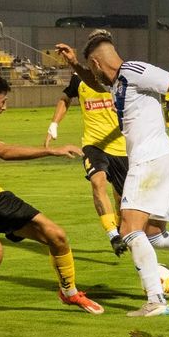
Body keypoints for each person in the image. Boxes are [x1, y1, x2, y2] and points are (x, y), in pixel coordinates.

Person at [56, 31, 169, 319]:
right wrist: (75, 65)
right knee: (154, 235)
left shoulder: (135, 70)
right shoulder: (118, 82)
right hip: (161, 159)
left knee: (128, 230)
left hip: (150, 160)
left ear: (97, 61)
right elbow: (95, 81)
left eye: (90, 67)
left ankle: (156, 299)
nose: (92, 74)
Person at [0, 70, 102, 323]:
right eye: (2, 101)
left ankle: (69, 292)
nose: (5, 107)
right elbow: (4, 151)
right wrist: (51, 151)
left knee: (57, 236)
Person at [45, 67, 129, 254]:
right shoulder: (78, 79)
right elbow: (65, 98)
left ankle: (121, 231)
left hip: (120, 146)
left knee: (121, 197)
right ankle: (113, 235)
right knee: (97, 182)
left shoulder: (118, 76)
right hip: (93, 145)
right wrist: (54, 124)